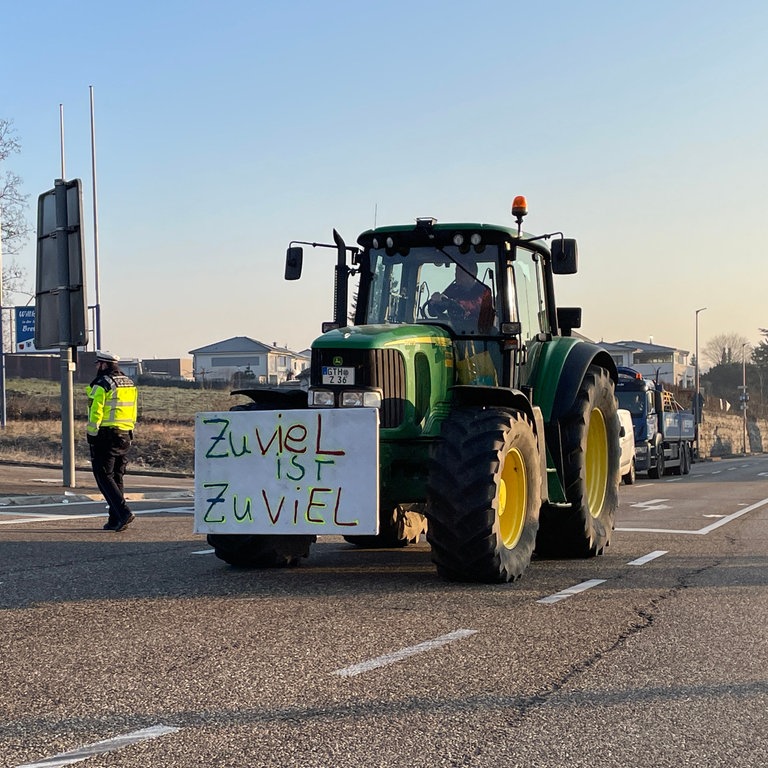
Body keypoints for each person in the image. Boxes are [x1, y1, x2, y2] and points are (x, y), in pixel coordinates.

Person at [86, 350, 138, 531]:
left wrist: (92, 433)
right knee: (117, 476)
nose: (96, 367)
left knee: (103, 476)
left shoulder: (102, 384)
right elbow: (133, 410)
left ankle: (123, 513)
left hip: (106, 435)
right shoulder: (129, 383)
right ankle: (115, 519)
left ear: (104, 365)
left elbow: (96, 411)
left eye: (98, 364)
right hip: (126, 434)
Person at [426, 261, 495, 333]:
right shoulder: (453, 289)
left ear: (473, 273)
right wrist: (435, 301)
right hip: (455, 333)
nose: (457, 275)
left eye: (461, 272)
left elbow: (478, 307)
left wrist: (454, 304)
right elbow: (433, 312)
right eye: (456, 272)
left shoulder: (483, 290)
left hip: (479, 334)